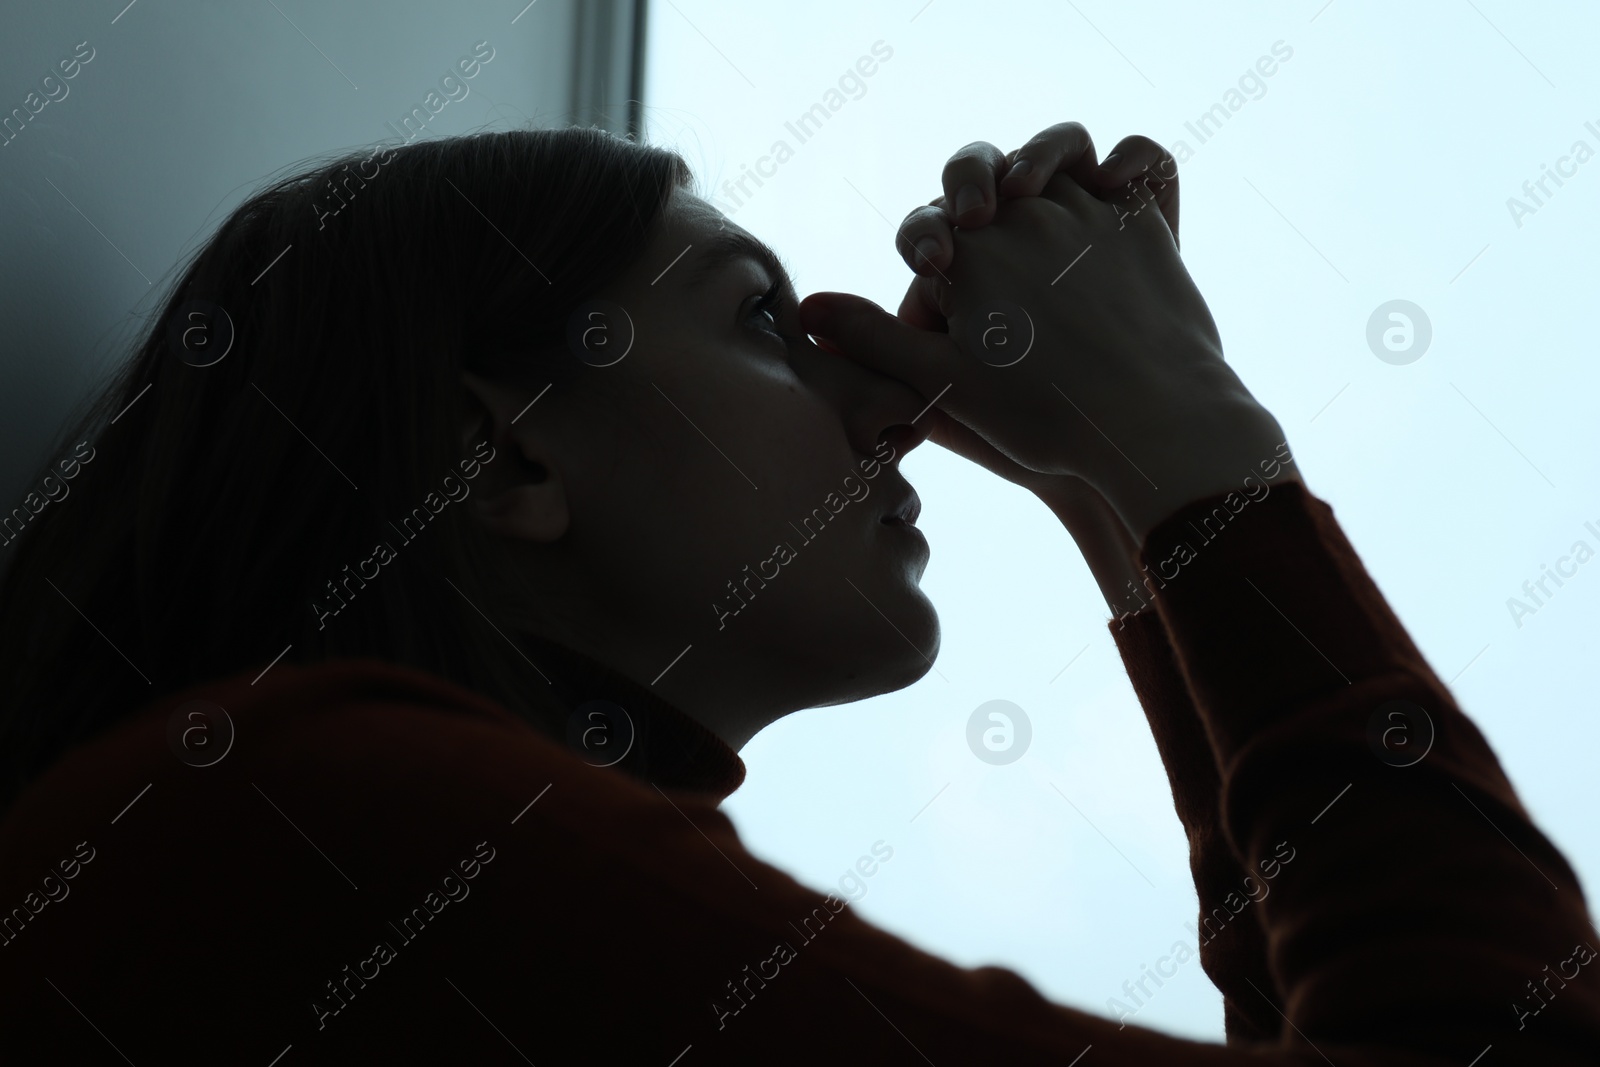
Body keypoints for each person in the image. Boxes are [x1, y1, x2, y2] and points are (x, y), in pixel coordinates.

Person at [0, 122, 1593, 1064]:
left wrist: (1119, 495)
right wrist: (1195, 442)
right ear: (502, 464)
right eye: (760, 314)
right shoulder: (329, 821)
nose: (886, 395)